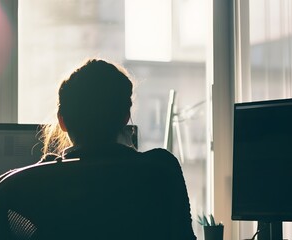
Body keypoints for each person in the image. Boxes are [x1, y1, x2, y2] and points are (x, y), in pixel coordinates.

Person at [40, 58, 196, 239]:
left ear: (62, 121)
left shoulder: (42, 180)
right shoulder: (161, 169)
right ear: (125, 117)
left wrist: (44, 170)